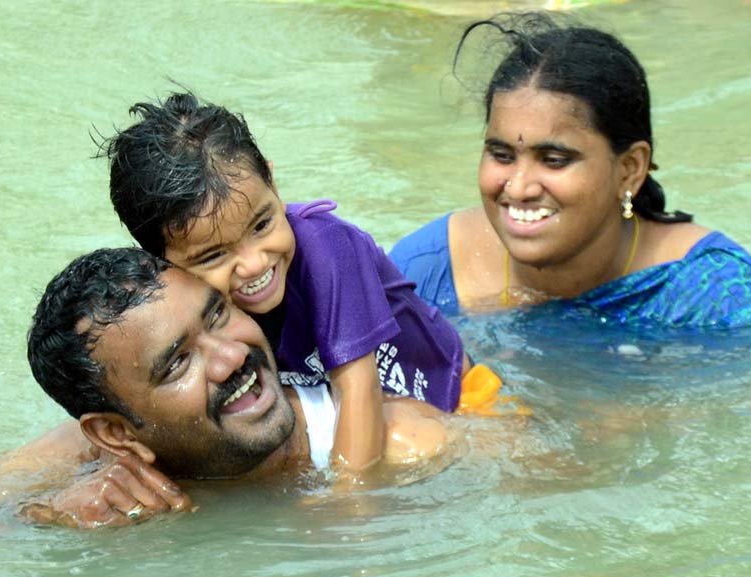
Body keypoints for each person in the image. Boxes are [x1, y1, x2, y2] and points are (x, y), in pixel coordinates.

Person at [102, 92, 479, 474]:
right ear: (164, 263)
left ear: (274, 183)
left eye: (262, 224)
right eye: (214, 255)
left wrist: (348, 504)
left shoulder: (328, 250)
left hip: (461, 395)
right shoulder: (186, 308)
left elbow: (356, 389)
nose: (253, 264)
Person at [390, 11, 751, 328]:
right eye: (502, 155)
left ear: (630, 169)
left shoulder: (719, 299)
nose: (518, 187)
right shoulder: (424, 272)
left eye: (554, 160)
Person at [20, 247, 454, 527]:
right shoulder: (87, 455)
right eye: (177, 362)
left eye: (217, 316)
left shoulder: (409, 446)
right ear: (118, 434)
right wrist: (52, 514)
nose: (232, 357)